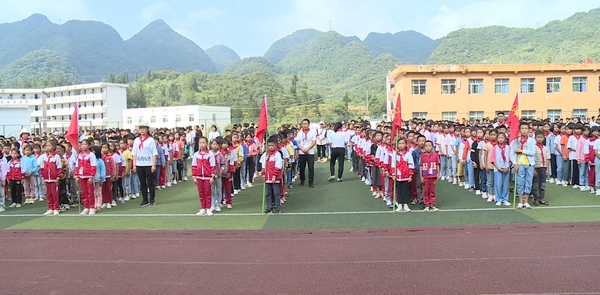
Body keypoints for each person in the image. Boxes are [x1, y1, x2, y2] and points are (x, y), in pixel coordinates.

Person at [132, 122, 158, 207]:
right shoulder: (136, 140)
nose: (142, 130)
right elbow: (134, 153)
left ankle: (152, 199)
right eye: (141, 128)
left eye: (144, 128)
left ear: (147, 129)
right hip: (139, 164)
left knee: (150, 182)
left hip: (148, 163)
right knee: (142, 182)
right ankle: (145, 199)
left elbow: (154, 153)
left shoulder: (151, 140)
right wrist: (134, 165)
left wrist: (153, 165)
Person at [192, 137, 216, 216]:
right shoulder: (196, 154)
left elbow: (213, 165)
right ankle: (203, 208)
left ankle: (208, 208)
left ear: (206, 144)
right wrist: (194, 176)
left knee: (208, 192)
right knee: (201, 193)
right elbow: (194, 166)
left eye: (203, 143)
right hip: (199, 177)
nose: (201, 145)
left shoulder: (210, 154)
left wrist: (212, 176)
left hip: (207, 177)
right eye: (200, 143)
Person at [38, 141, 63, 216]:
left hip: (54, 179)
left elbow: (59, 168)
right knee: (48, 194)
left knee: (54, 194)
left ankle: (56, 208)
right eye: (46, 146)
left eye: (49, 146)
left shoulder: (56, 157)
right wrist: (43, 177)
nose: (48, 147)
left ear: (54, 147)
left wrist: (58, 177)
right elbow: (42, 168)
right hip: (46, 179)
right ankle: (50, 208)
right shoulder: (44, 157)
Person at [260, 135, 284, 214]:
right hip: (267, 178)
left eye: (272, 145)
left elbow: (278, 166)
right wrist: (263, 174)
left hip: (275, 178)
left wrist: (274, 176)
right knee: (268, 193)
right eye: (269, 145)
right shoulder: (265, 155)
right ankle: (269, 206)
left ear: (276, 145)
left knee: (276, 193)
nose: (270, 147)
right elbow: (263, 165)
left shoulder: (277, 154)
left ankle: (277, 207)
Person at [392, 138, 415, 212]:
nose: (401, 145)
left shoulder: (408, 154)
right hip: (398, 175)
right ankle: (399, 204)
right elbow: (393, 165)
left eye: (402, 143)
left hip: (406, 175)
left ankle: (405, 204)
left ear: (405, 145)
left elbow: (411, 165)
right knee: (399, 190)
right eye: (399, 144)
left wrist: (410, 175)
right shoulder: (395, 154)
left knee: (405, 190)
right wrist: (393, 174)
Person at [491, 132, 511, 206]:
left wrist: (508, 167)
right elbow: (493, 159)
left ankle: (505, 198)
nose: (501, 139)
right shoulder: (495, 148)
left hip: (506, 168)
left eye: (502, 138)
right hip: (498, 168)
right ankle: (498, 198)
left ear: (505, 139)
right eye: (499, 138)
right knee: (498, 184)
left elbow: (510, 159)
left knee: (505, 184)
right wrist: (498, 167)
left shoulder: (508, 148)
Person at [295, 119, 317, 188]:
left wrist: (307, 149)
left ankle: (311, 182)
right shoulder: (299, 133)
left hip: (310, 152)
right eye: (303, 124)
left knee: (311, 168)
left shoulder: (312, 133)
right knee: (302, 167)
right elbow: (298, 143)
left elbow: (313, 142)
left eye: (306, 124)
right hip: (302, 152)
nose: (304, 125)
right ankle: (302, 180)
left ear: (308, 124)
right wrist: (302, 149)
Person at [420, 140, 440, 211]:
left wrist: (438, 173)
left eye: (429, 146)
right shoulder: (423, 156)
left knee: (432, 191)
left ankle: (432, 204)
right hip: (425, 176)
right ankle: (427, 204)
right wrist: (421, 176)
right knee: (425, 191)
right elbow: (421, 166)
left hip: (433, 176)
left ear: (432, 146)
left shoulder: (435, 155)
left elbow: (437, 164)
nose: (428, 147)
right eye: (426, 146)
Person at [533, 131, 550, 206]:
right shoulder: (533, 147)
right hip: (536, 167)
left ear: (544, 138)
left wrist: (547, 168)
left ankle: (541, 198)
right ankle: (536, 198)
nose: (539, 139)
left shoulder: (545, 148)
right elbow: (532, 159)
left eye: (541, 137)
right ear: (535, 138)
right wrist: (533, 169)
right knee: (535, 184)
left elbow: (547, 158)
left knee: (543, 184)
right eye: (538, 137)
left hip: (543, 167)